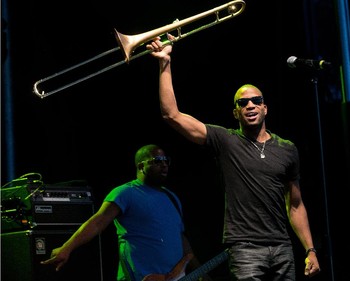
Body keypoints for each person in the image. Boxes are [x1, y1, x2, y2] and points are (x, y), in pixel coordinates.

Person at [146, 36, 321, 280]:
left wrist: (310, 250)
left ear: (265, 108)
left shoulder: (287, 148)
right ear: (235, 112)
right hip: (245, 248)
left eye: (256, 101)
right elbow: (171, 115)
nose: (250, 105)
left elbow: (295, 204)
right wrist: (165, 62)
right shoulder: (225, 139)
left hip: (282, 246)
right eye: (243, 102)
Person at [41, 144, 211, 281]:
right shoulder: (125, 193)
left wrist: (201, 271)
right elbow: (98, 222)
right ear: (141, 166)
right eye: (158, 160)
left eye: (166, 160)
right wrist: (67, 248)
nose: (164, 164)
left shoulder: (171, 197)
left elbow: (181, 240)